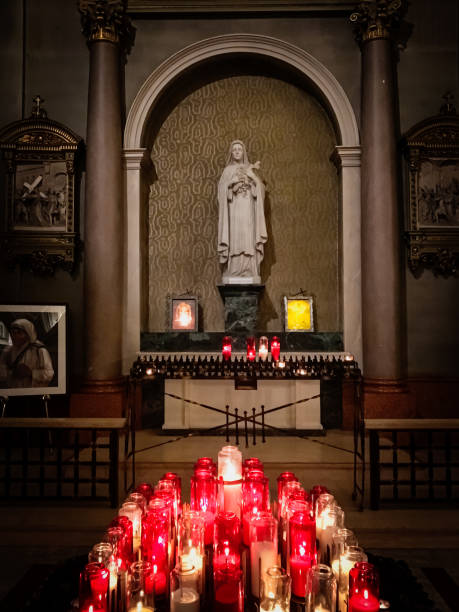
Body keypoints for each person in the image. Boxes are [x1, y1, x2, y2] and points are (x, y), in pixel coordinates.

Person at [217, 140, 267, 284]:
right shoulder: (227, 171)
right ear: (231, 153)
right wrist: (231, 183)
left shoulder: (250, 169)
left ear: (243, 151)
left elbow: (260, 191)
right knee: (235, 238)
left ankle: (250, 269)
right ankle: (234, 269)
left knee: (247, 237)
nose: (237, 151)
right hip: (233, 211)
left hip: (248, 210)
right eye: (235, 150)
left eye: (240, 149)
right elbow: (221, 194)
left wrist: (251, 177)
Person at [0, 319, 54, 388]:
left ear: (28, 333)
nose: (15, 336)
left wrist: (31, 373)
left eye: (19, 333)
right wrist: (10, 372)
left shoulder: (40, 350)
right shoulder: (8, 351)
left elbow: (49, 374)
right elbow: (2, 375)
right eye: (13, 333)